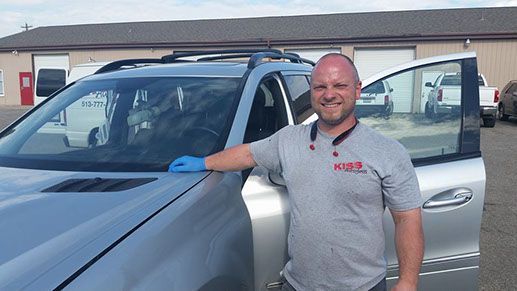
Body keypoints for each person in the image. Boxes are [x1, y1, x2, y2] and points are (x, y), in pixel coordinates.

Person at [169, 53, 424, 291]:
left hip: (362, 286)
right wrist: (204, 163)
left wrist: (408, 282)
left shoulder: (387, 152)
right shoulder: (289, 140)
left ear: (357, 90)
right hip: (297, 284)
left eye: (340, 86)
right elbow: (248, 153)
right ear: (311, 92)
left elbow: (407, 220)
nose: (329, 94)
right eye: (320, 87)